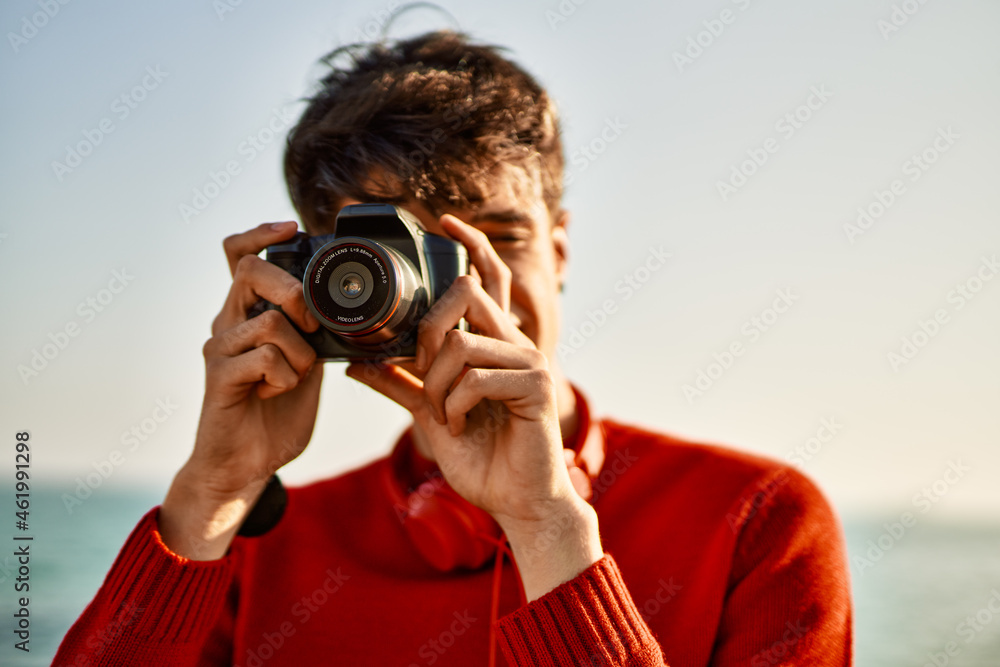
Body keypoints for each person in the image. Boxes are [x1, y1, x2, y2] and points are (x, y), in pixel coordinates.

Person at [54, 30, 852, 667]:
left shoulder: (755, 519)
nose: (464, 293)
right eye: (396, 260)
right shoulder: (260, 550)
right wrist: (212, 494)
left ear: (560, 250)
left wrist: (548, 525)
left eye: (495, 239)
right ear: (317, 276)